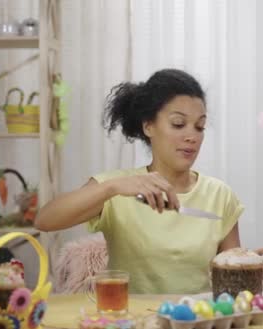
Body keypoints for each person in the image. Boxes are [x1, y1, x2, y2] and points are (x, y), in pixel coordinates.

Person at [35, 69, 247, 294]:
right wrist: (112, 187)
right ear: (148, 126)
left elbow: (231, 283)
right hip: (129, 322)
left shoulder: (219, 195)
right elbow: (45, 220)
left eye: (199, 126)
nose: (191, 136)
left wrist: (247, 268)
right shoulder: (118, 187)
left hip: (195, 321)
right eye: (178, 123)